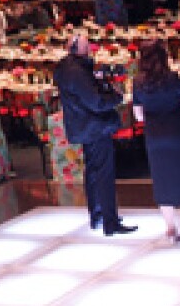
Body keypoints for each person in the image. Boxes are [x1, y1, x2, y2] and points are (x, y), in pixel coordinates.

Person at [54, 34, 132, 236]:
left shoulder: (66, 69)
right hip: (94, 126)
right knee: (103, 173)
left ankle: (97, 215)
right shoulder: (77, 72)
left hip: (84, 126)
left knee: (93, 171)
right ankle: (110, 222)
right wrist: (115, 98)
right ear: (75, 49)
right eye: (86, 46)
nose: (90, 49)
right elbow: (95, 102)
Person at [131, 41, 180, 244]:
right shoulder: (172, 78)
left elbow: (138, 116)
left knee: (162, 179)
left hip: (155, 137)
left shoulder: (137, 82)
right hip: (176, 133)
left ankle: (171, 229)